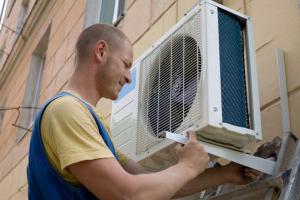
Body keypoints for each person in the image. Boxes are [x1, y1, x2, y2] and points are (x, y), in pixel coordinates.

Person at [27, 24, 260, 200]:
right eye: (126, 64)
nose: (129, 78)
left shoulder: (91, 121)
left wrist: (224, 175)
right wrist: (187, 166)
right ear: (101, 51)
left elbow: (143, 184)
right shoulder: (66, 111)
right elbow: (128, 194)